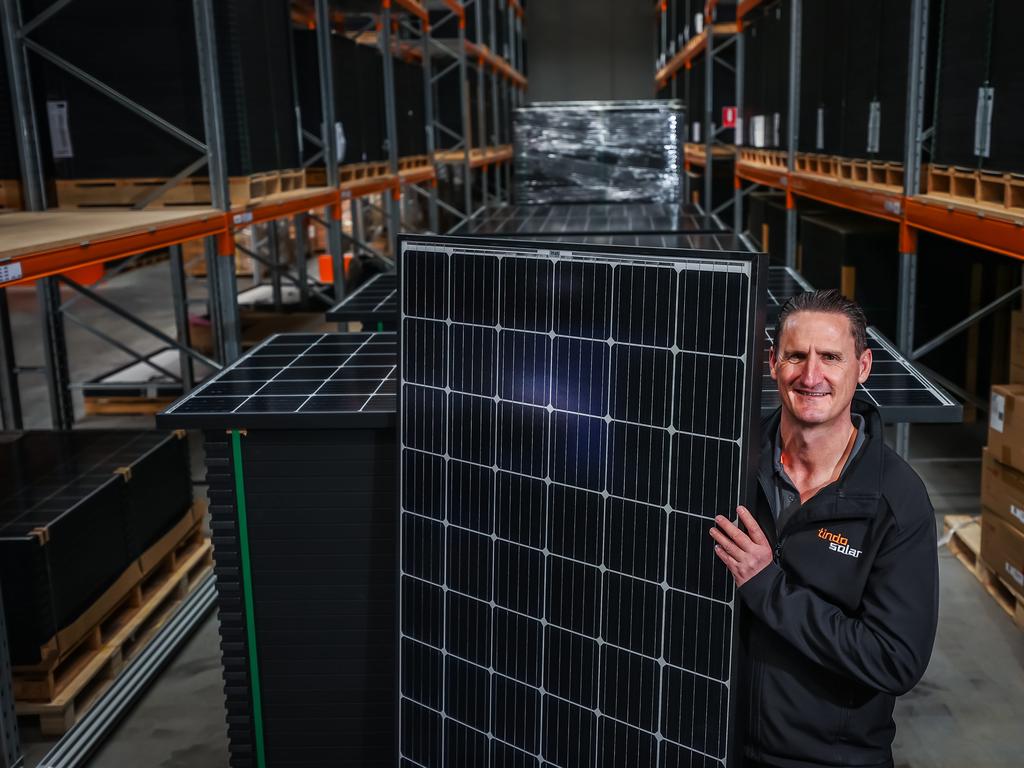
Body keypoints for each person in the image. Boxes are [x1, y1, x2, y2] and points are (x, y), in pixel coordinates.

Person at [710, 289, 939, 768]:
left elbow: (894, 659)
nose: (811, 376)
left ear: (864, 366)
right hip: (718, 742)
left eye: (830, 357)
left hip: (829, 760)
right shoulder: (728, 463)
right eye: (796, 355)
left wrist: (767, 585)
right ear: (772, 363)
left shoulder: (895, 500)